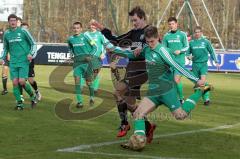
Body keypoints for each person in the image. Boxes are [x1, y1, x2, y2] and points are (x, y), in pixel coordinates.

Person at [116, 26, 212, 151]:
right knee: (138, 114)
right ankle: (138, 141)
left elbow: (177, 66)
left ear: (158, 38)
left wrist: (196, 80)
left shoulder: (163, 51)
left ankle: (201, 91)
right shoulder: (146, 49)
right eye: (148, 41)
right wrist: (117, 50)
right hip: (153, 92)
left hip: (167, 90)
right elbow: (132, 54)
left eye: (152, 41)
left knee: (180, 115)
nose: (150, 44)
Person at [93, 6, 156, 141]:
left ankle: (124, 124)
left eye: (136, 20)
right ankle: (148, 126)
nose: (134, 23)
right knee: (128, 103)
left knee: (119, 94)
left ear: (143, 18)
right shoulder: (133, 33)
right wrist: (102, 28)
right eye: (132, 21)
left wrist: (143, 47)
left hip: (143, 68)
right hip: (131, 68)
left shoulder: (150, 31)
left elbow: (156, 45)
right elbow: (117, 40)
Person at [0, 14, 37, 110]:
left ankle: (33, 97)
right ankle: (19, 104)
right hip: (13, 62)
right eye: (11, 20)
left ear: (17, 21)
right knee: (15, 82)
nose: (12, 22)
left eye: (14, 20)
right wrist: (1, 57)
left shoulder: (23, 31)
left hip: (24, 60)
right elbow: (5, 48)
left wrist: (31, 54)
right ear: (9, 22)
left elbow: (33, 43)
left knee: (21, 81)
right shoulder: (7, 34)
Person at [187, 26, 219, 105]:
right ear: (194, 33)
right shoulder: (191, 42)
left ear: (201, 33)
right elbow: (187, 53)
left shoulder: (206, 42)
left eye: (198, 32)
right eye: (195, 32)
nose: (197, 33)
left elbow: (212, 51)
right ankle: (208, 87)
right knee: (197, 84)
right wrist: (188, 56)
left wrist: (216, 61)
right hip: (195, 65)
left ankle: (206, 100)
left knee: (202, 81)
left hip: (203, 64)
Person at [67, 22, 96, 108]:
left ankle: (92, 97)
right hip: (77, 63)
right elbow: (70, 48)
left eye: (78, 28)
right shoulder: (70, 39)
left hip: (87, 63)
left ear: (81, 29)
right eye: (74, 28)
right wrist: (71, 55)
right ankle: (80, 102)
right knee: (77, 81)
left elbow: (95, 47)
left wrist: (90, 56)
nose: (76, 29)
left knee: (89, 82)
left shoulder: (86, 36)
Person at [162, 17, 189, 104]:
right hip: (169, 62)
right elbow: (163, 48)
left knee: (176, 80)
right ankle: (177, 98)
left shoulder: (182, 35)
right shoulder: (166, 36)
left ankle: (181, 98)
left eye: (173, 24)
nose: (171, 26)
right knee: (171, 81)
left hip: (179, 61)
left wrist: (180, 51)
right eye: (170, 24)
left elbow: (187, 46)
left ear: (176, 24)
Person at [18, 22, 42, 101]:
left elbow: (35, 50)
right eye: (23, 28)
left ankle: (37, 91)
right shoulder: (18, 40)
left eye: (26, 28)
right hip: (21, 61)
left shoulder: (31, 39)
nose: (24, 30)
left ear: (28, 29)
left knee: (30, 80)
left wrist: (31, 55)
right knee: (21, 80)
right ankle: (20, 97)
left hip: (29, 62)